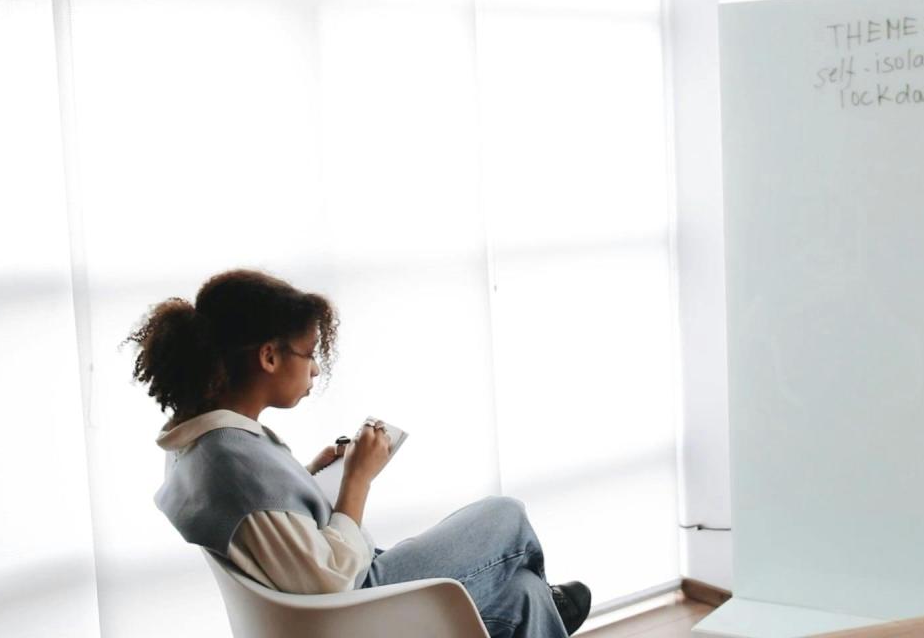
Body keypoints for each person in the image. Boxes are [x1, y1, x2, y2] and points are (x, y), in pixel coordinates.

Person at [129, 268, 591, 637]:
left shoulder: (203, 445)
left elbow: (270, 526)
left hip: (340, 603)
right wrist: (357, 480)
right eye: (309, 354)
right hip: (358, 610)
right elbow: (335, 579)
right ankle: (553, 602)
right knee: (506, 515)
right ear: (269, 357)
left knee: (523, 596)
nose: (315, 370)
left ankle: (545, 601)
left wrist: (309, 477)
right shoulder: (232, 465)